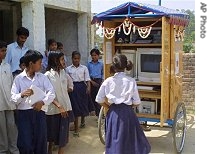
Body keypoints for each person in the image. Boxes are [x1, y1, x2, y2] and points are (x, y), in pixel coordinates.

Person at [95, 54, 151, 154]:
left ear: (113, 66)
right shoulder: (131, 81)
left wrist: (108, 107)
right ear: (126, 66)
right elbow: (137, 102)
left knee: (115, 139)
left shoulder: (108, 81)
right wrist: (129, 107)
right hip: (127, 113)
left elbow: (99, 99)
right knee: (129, 140)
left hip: (113, 113)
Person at [11, 50, 55, 154]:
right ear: (31, 63)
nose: (41, 65)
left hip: (39, 114)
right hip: (24, 115)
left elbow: (51, 92)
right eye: (39, 62)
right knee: (25, 144)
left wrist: (43, 102)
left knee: (40, 142)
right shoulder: (18, 79)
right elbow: (13, 97)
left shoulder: (42, 77)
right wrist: (22, 94)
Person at [45, 51, 74, 154]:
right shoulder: (47, 75)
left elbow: (69, 85)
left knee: (63, 137)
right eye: (62, 59)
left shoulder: (64, 73)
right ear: (55, 61)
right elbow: (47, 94)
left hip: (65, 108)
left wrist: (70, 88)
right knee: (51, 137)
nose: (64, 62)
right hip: (52, 111)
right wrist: (58, 105)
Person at [0, 41, 19, 154]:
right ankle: (3, 150)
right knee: (1, 130)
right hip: (0, 104)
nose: (5, 53)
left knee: (12, 127)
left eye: (5, 50)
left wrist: (14, 101)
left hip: (9, 103)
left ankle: (14, 149)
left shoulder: (7, 66)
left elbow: (12, 85)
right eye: (2, 51)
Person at [66, 51, 91, 137]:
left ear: (80, 59)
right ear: (72, 59)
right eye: (74, 58)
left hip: (82, 87)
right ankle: (76, 129)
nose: (76, 60)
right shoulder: (68, 69)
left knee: (82, 105)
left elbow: (87, 79)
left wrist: (88, 87)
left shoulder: (84, 68)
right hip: (73, 88)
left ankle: (83, 120)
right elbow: (67, 80)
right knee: (75, 108)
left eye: (78, 58)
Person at [87, 48, 103, 117]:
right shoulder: (89, 64)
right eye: (92, 55)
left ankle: (99, 113)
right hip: (91, 81)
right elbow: (87, 74)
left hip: (98, 81)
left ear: (98, 55)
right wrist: (91, 81)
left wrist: (102, 81)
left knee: (99, 97)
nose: (94, 57)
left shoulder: (101, 64)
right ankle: (93, 112)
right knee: (92, 97)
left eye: (95, 55)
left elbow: (102, 73)